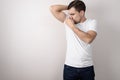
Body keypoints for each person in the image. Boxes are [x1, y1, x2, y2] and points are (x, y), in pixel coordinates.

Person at [49, 0, 97, 80]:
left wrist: (72, 27)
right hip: (69, 67)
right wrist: (70, 7)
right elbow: (52, 8)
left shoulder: (91, 22)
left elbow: (88, 39)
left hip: (87, 68)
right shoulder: (68, 20)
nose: (70, 16)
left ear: (81, 13)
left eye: (72, 14)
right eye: (69, 14)